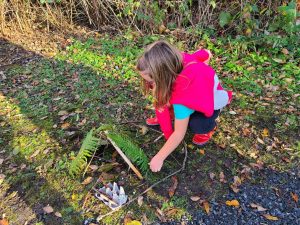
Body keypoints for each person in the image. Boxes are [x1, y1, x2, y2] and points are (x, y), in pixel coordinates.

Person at [136, 40, 232, 172]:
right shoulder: (174, 59)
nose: (150, 85)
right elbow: (201, 55)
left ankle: (208, 128)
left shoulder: (183, 97)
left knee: (197, 125)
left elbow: (179, 134)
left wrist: (159, 157)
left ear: (163, 76)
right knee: (168, 102)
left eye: (152, 82)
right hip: (194, 91)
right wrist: (207, 55)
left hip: (211, 101)